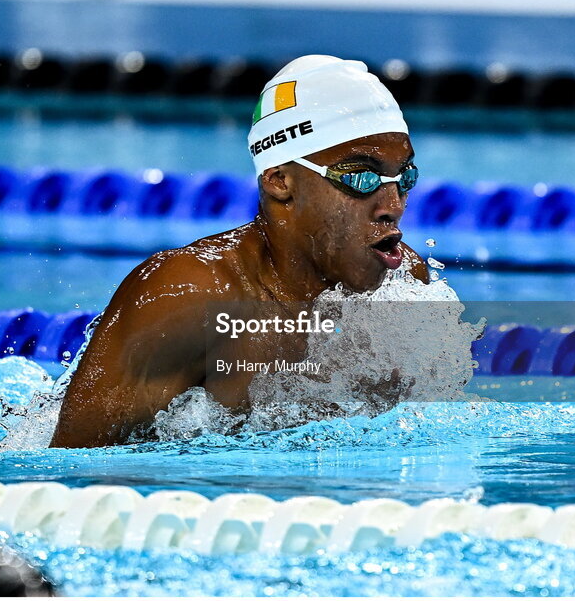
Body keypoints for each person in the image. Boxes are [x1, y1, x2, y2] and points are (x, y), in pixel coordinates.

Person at [50, 55, 431, 448]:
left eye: (405, 177)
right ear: (280, 181)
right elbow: (70, 475)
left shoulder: (402, 287)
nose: (394, 204)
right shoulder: (189, 297)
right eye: (360, 177)